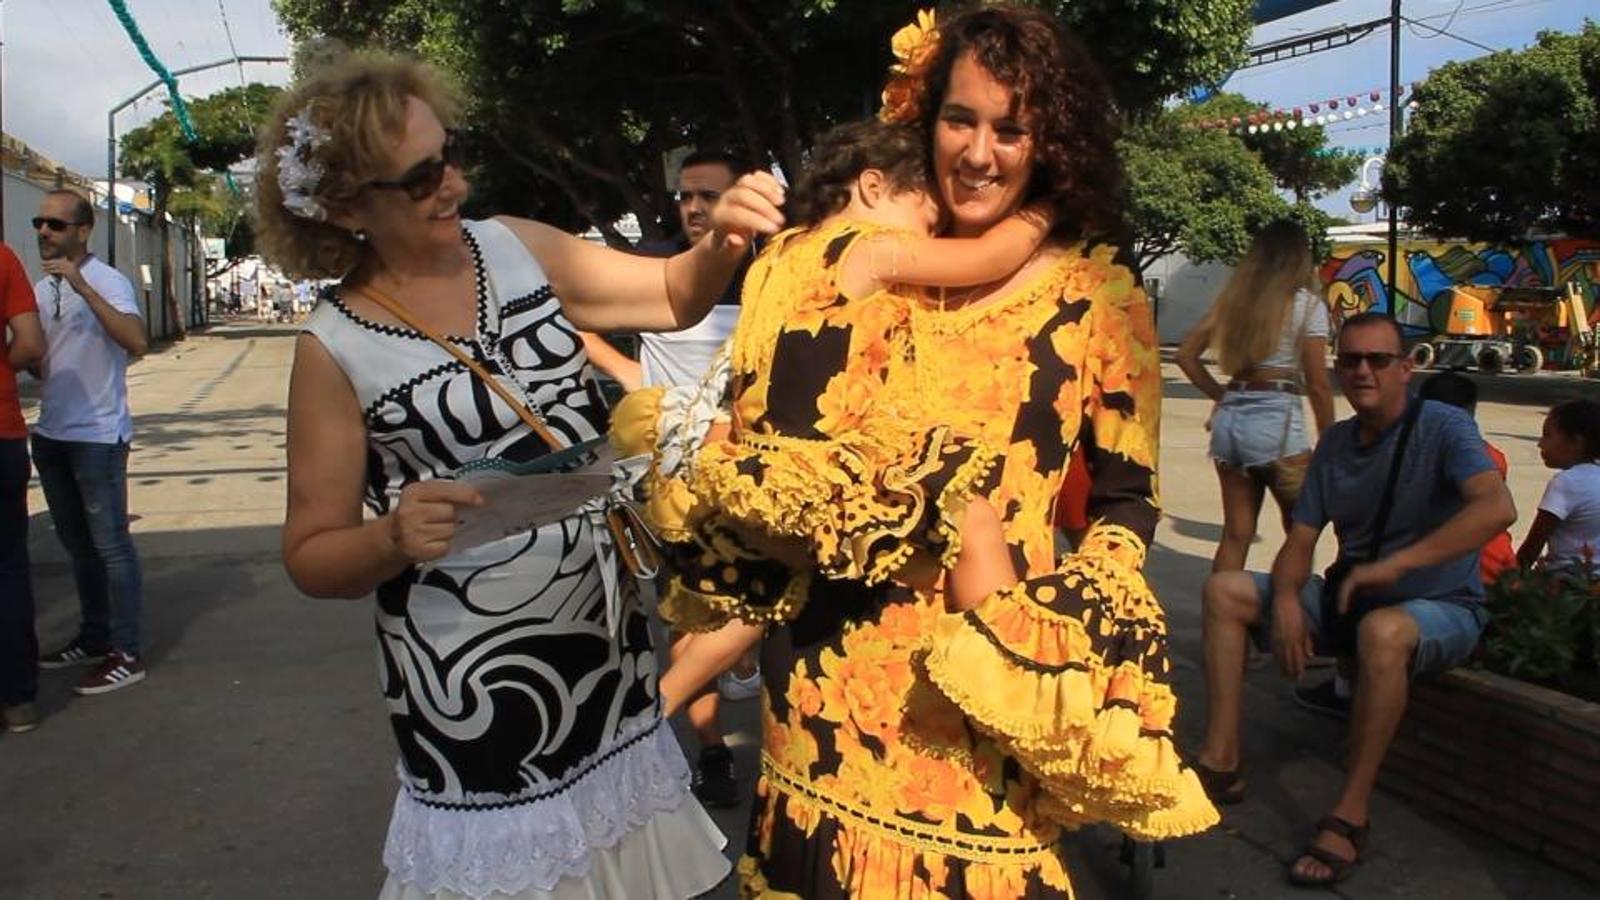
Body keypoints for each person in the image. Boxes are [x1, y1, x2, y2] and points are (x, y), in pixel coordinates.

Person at [658, 8, 1218, 896]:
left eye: (1011, 128)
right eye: (961, 120)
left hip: (982, 692)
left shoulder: (1098, 293)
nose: (981, 153)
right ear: (925, 122)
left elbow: (1126, 494)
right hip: (822, 691)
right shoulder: (848, 263)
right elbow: (776, 445)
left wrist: (1074, 615)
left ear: (1050, 141)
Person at [259, 52, 762, 898]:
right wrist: (388, 537)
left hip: (606, 655)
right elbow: (311, 552)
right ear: (348, 207)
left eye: (449, 153)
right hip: (476, 694)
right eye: (420, 178)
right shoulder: (333, 349)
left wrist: (723, 243)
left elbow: (673, 293)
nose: (451, 183)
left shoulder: (512, 247)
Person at [619, 117, 1059, 690]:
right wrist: (1046, 207)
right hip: (827, 473)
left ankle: (658, 703)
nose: (929, 235)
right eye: (926, 218)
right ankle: (1008, 671)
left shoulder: (779, 251)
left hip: (758, 475)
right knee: (971, 520)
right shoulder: (867, 250)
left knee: (763, 593)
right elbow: (989, 260)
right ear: (873, 188)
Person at [1193, 311, 1517, 887]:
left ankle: (1351, 811)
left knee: (1384, 631)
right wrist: (1289, 600)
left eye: (1378, 359)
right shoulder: (1338, 442)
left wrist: (1396, 565)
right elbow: (1300, 538)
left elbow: (1496, 509)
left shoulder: (1443, 426)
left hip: (1440, 607)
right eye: (1350, 360)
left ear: (1407, 368)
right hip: (1351, 600)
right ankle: (1223, 761)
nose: (1362, 370)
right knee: (1225, 590)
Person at [582, 148, 758, 810]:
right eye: (686, 195)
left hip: (751, 475)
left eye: (708, 194)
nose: (693, 206)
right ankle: (712, 755)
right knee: (685, 616)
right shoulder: (651, 264)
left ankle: (729, 674)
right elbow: (574, 318)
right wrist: (632, 376)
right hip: (667, 476)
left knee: (754, 608)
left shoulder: (773, 272)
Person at [30, 189, 151, 696]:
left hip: (98, 436)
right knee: (77, 546)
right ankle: (94, 635)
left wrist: (82, 287)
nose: (43, 232)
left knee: (111, 548)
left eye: (55, 225)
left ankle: (127, 651)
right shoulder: (40, 288)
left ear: (82, 231)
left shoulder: (108, 281)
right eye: (40, 223)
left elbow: (137, 342)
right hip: (52, 432)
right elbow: (40, 358)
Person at [1176, 219, 1335, 574]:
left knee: (1236, 535)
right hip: (1278, 425)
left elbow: (1186, 356)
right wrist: (1330, 438)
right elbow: (1319, 384)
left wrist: (1221, 395)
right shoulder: (1308, 306)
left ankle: (1221, 622)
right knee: (1300, 533)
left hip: (1231, 424)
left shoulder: (1234, 301)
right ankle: (1286, 616)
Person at [1, 241, 44, 733]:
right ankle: (17, 701)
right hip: (2, 434)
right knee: (8, 567)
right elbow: (31, 344)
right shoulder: (3, 259)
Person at [1516, 398, 1600, 573]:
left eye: (1547, 435)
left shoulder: (1567, 482)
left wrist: (1512, 579)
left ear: (1576, 442)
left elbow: (1532, 546)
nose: (1540, 443)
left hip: (1567, 584)